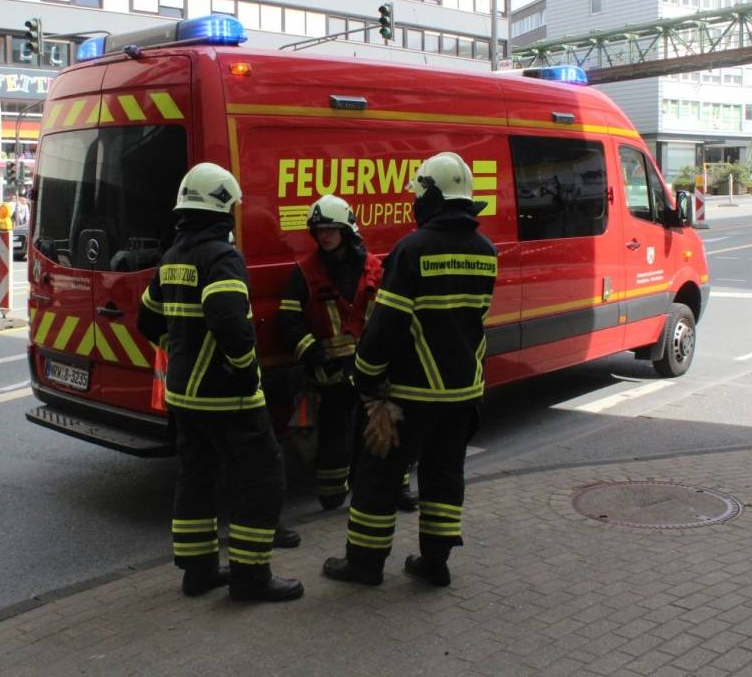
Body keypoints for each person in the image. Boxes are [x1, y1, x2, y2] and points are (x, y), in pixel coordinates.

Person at [323, 151, 498, 589]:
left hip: (410, 395)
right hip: (463, 394)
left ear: (432, 197)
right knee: (443, 475)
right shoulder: (485, 251)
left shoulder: (412, 249)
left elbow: (386, 326)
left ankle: (364, 565)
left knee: (377, 479)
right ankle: (434, 563)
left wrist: (363, 376)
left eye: (418, 195)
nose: (414, 203)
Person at [136, 162, 303, 603]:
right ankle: (251, 577)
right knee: (260, 479)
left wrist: (183, 352)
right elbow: (231, 322)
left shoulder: (173, 257)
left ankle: (199, 572)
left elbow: (146, 319)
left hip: (184, 396)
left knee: (197, 480)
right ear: (223, 209)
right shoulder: (221, 257)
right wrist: (246, 371)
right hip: (227, 396)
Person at [276, 195, 382, 512]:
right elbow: (288, 322)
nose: (324, 235)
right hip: (330, 373)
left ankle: (384, 489)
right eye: (319, 230)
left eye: (331, 229)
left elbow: (391, 317)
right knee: (334, 436)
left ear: (346, 230)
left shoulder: (374, 268)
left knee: (377, 432)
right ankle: (333, 496)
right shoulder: (305, 273)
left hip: (369, 369)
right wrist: (313, 355)